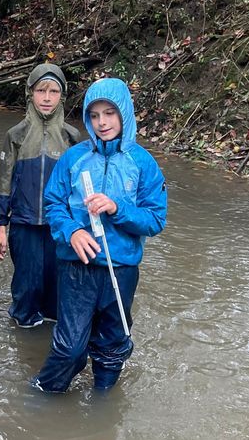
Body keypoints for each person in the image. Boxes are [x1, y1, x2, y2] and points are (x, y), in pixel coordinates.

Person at [31, 77, 166, 394]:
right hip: (77, 267)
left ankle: (102, 410)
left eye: (109, 113)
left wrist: (118, 208)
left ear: (125, 114)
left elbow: (155, 219)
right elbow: (53, 204)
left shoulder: (143, 163)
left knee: (112, 347)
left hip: (121, 269)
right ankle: (41, 397)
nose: (102, 122)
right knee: (70, 349)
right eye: (94, 115)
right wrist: (73, 231)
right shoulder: (73, 158)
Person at [0, 62, 80, 328]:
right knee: (26, 289)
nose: (46, 97)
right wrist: (1, 228)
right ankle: (23, 343)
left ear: (61, 96)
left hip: (59, 227)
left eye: (53, 91)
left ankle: (51, 348)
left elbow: (78, 188)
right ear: (30, 92)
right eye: (41, 90)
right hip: (24, 224)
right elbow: (5, 181)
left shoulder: (71, 137)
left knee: (58, 291)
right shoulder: (15, 135)